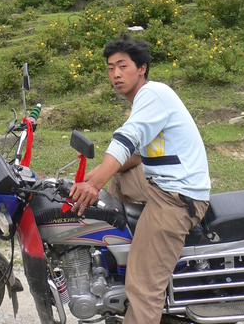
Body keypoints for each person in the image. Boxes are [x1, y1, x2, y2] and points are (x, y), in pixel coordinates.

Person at [69, 35, 210, 324]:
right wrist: (93, 176)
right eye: (110, 68)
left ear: (142, 68)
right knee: (119, 179)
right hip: (159, 180)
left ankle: (143, 260)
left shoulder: (152, 94)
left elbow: (128, 138)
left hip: (177, 196)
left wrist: (94, 184)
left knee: (143, 287)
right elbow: (135, 155)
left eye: (123, 66)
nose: (116, 74)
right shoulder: (145, 100)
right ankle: (118, 248)